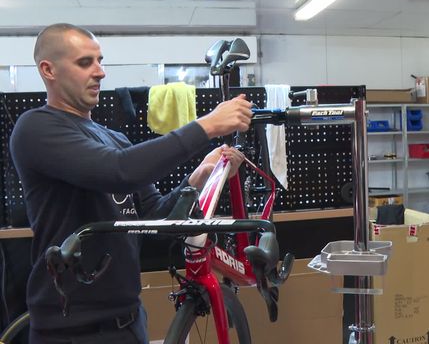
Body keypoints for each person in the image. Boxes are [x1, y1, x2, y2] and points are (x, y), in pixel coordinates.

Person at [9, 23, 254, 343]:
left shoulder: (114, 138)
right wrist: (205, 126)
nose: (100, 72)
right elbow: (120, 172)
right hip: (71, 330)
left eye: (100, 60)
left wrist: (199, 176)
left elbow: (157, 218)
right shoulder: (36, 128)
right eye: (85, 63)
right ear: (48, 70)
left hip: (128, 322)